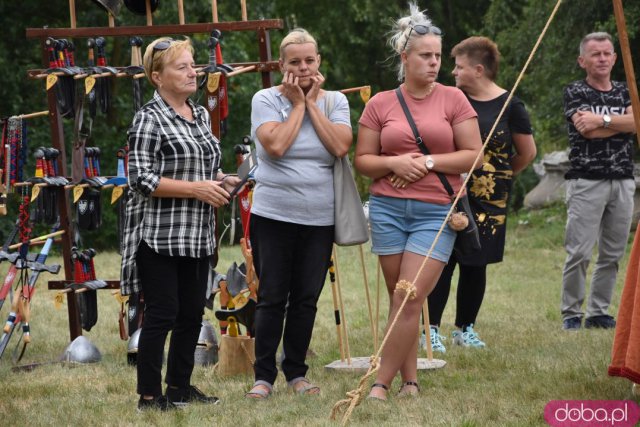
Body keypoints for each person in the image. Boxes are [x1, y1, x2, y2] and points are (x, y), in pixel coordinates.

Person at [355, 3, 482, 400]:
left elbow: (472, 155)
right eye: (425, 55)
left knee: (409, 294)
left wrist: (425, 162)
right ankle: (410, 380)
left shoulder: (453, 100)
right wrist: (394, 163)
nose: (434, 63)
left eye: (438, 56)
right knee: (401, 300)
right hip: (388, 209)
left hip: (436, 212)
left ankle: (379, 382)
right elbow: (363, 161)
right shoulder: (380, 103)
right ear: (404, 56)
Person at [120, 37, 240, 411]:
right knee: (163, 313)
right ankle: (149, 396)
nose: (194, 72)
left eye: (193, 65)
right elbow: (140, 178)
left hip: (197, 234)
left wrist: (221, 179)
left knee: (191, 313)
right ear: (157, 77)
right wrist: (197, 190)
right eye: (183, 67)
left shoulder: (200, 114)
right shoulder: (148, 118)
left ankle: (179, 388)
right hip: (158, 235)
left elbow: (201, 169)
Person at [245, 28, 352, 399]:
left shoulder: (337, 101)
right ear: (281, 65)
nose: (303, 68)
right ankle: (263, 376)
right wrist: (297, 105)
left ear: (319, 61)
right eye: (295, 62)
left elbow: (339, 145)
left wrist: (311, 104)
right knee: (272, 296)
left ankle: (297, 372)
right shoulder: (265, 98)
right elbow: (274, 146)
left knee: (306, 297)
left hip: (320, 218)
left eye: (309, 60)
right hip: (274, 214)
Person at [425, 36, 537, 351]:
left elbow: (526, 153)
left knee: (477, 260)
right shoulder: (449, 98)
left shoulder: (511, 105)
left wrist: (498, 176)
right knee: (443, 258)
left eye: (459, 67)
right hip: (449, 191)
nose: (453, 72)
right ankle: (430, 329)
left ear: (478, 69)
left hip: (492, 197)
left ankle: (464, 329)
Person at [561, 32, 636, 331]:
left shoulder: (626, 90)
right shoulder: (576, 91)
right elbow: (586, 132)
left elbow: (636, 123)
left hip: (623, 179)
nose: (602, 58)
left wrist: (602, 121)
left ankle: (599, 312)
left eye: (607, 53)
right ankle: (571, 313)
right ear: (583, 60)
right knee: (579, 251)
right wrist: (623, 125)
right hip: (586, 180)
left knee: (613, 253)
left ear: (615, 58)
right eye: (595, 54)